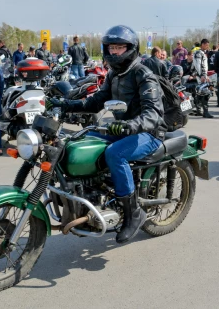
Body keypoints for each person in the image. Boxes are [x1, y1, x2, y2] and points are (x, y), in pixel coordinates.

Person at [52, 25, 165, 244]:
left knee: (115, 154)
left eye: (119, 47)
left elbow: (154, 113)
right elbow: (97, 101)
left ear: (131, 48)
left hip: (149, 132)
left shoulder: (143, 74)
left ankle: (134, 214)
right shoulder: (114, 73)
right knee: (81, 141)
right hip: (123, 128)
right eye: (111, 47)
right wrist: (66, 105)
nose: (114, 52)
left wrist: (131, 125)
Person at [192, 39, 211, 117]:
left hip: (202, 76)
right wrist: (202, 75)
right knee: (205, 94)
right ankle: (205, 112)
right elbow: (198, 65)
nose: (208, 46)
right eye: (206, 44)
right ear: (202, 44)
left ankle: (199, 110)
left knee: (200, 94)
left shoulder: (200, 53)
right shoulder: (199, 53)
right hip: (201, 77)